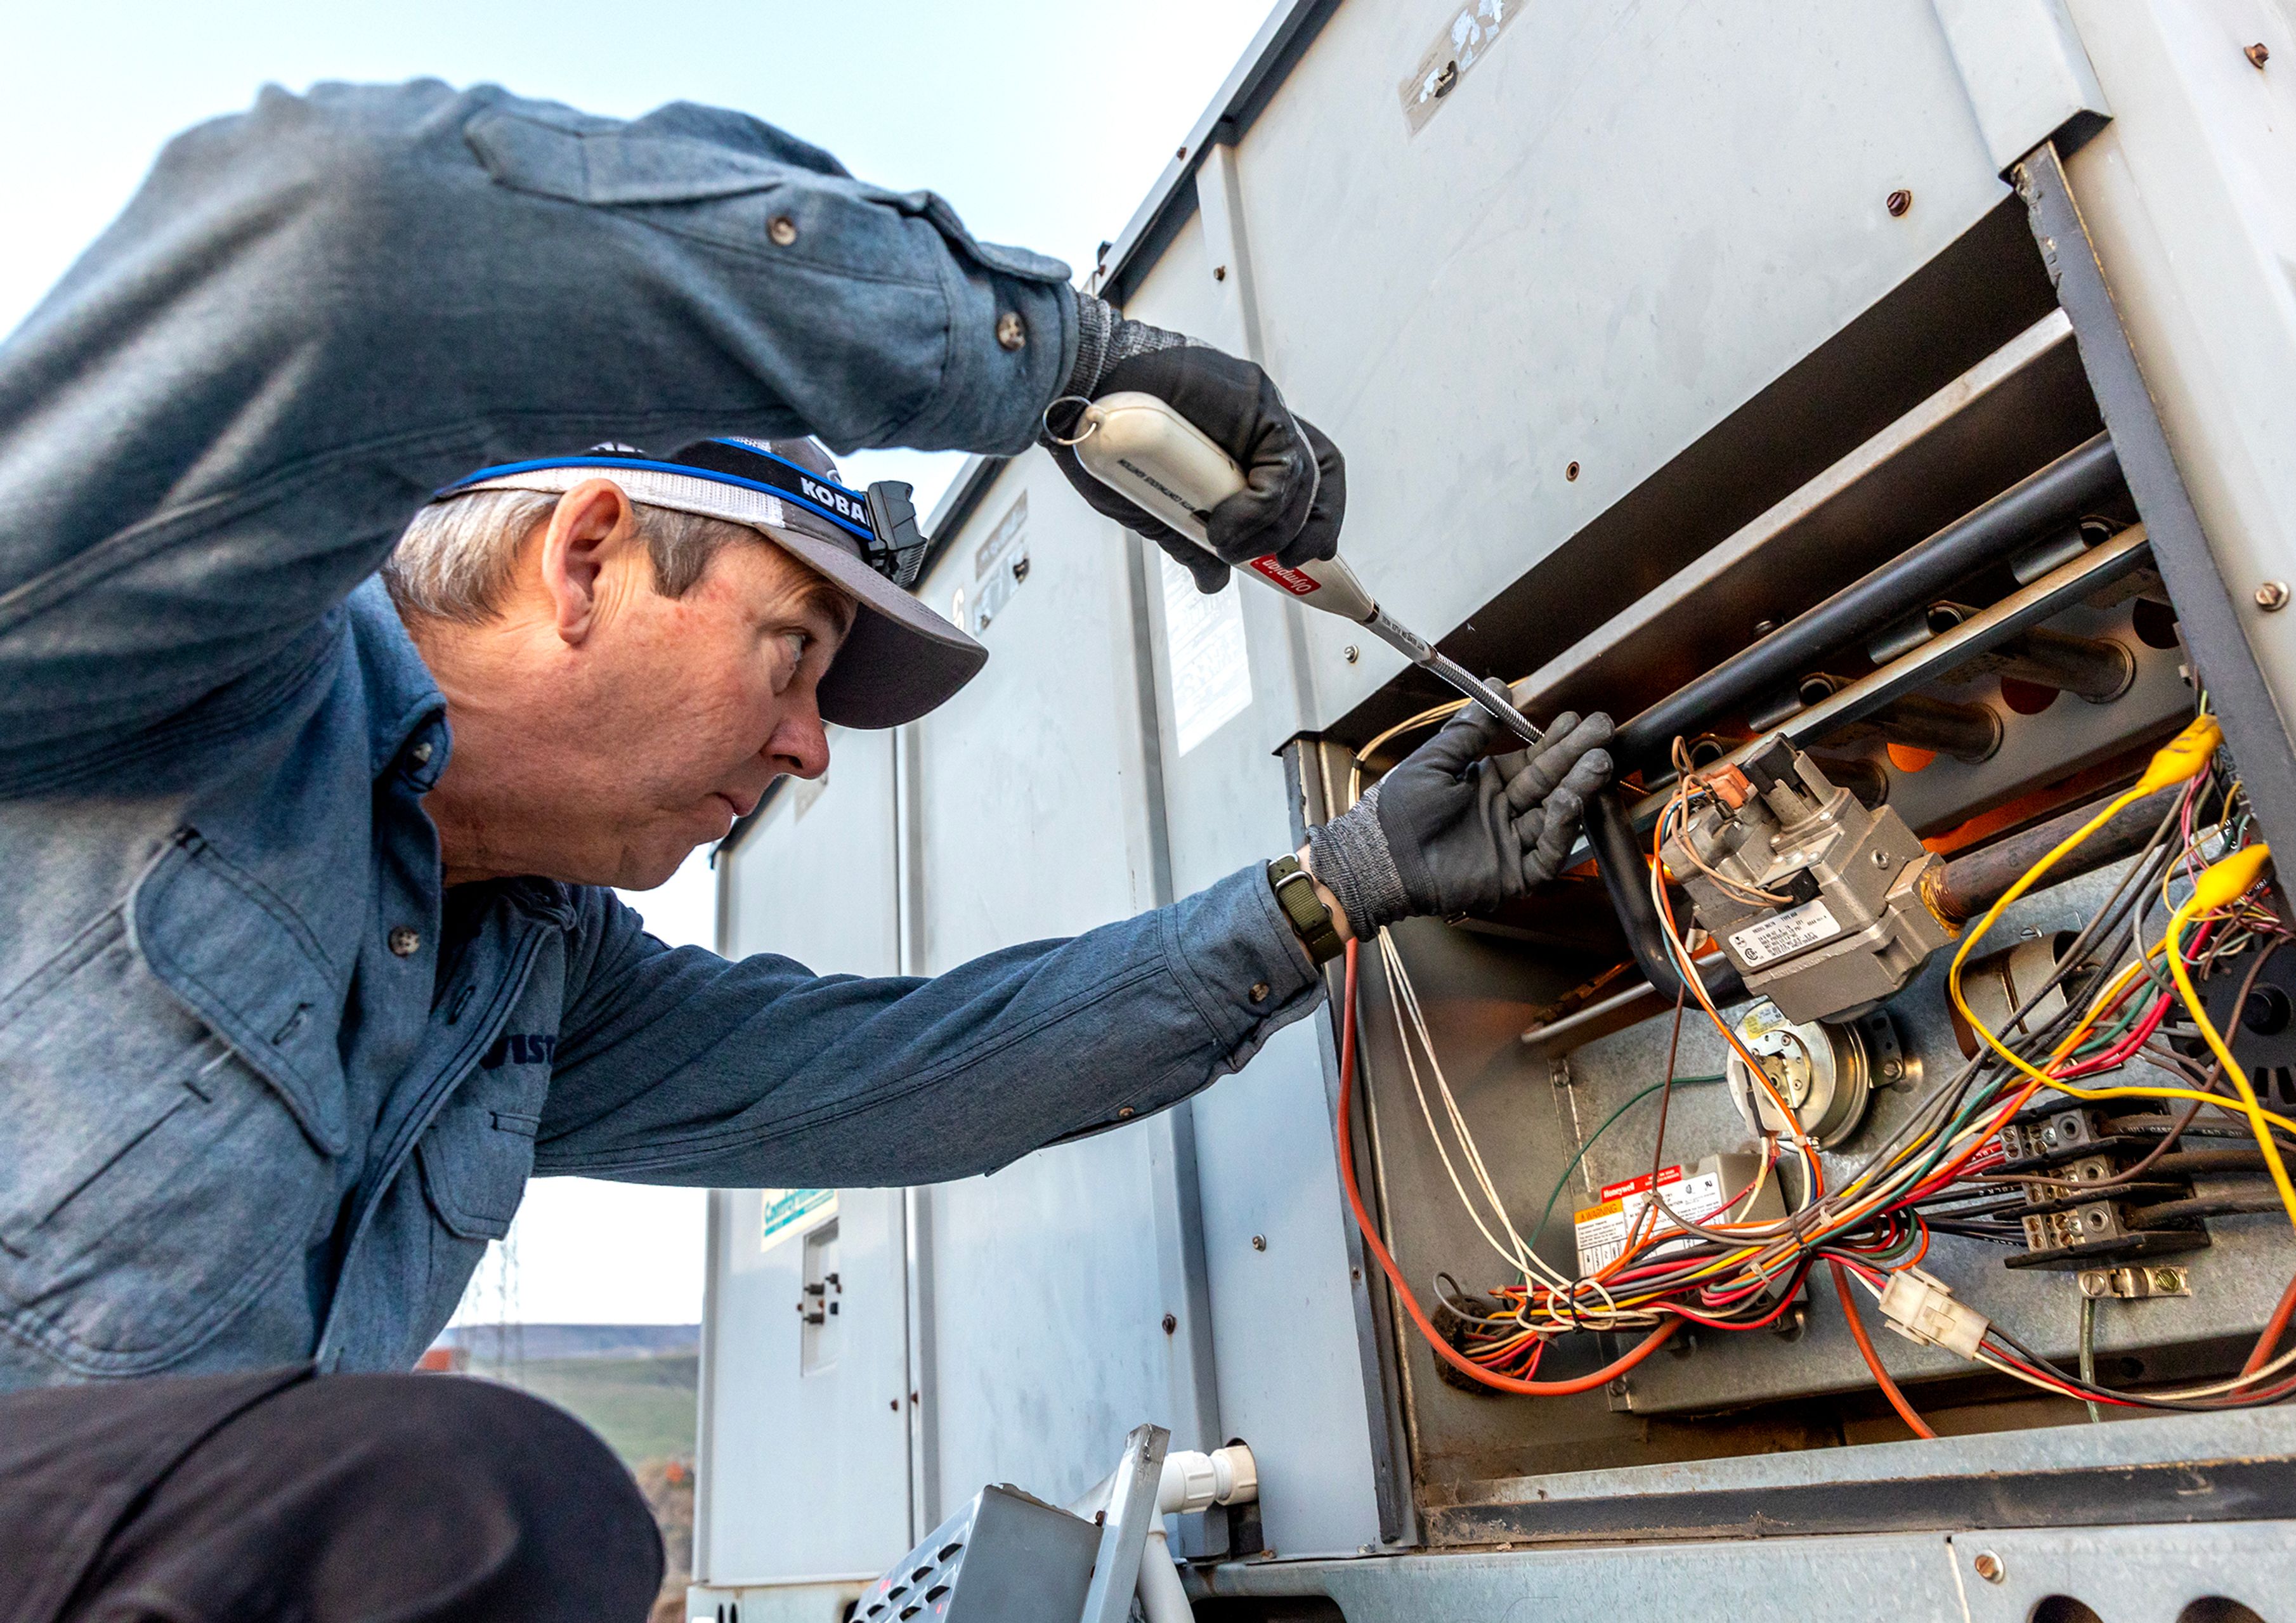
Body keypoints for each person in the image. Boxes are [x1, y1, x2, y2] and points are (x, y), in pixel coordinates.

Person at [0, 82, 1617, 1620]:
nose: (810, 749)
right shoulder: (171, 663)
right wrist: (1061, 364)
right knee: (479, 1501)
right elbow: (352, 228)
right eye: (792, 655)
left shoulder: (528, 976)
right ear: (584, 560)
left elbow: (913, 1071)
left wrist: (1327, 892)